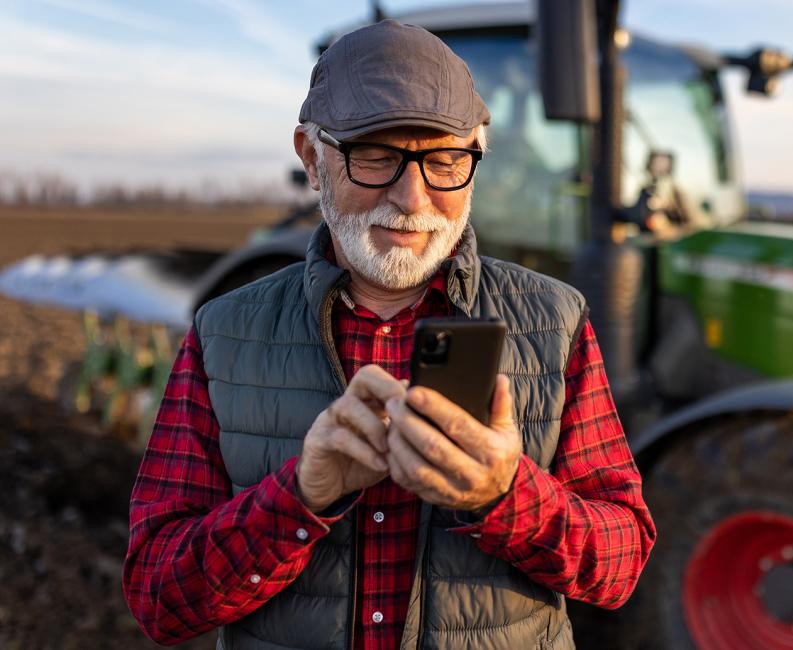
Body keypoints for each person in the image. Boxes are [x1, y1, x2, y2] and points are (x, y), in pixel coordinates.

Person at [122, 20, 655, 650]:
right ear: (311, 158)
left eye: (445, 161)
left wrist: (506, 496)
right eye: (375, 156)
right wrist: (298, 499)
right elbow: (159, 599)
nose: (412, 198)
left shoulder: (554, 320)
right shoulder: (224, 333)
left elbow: (621, 568)